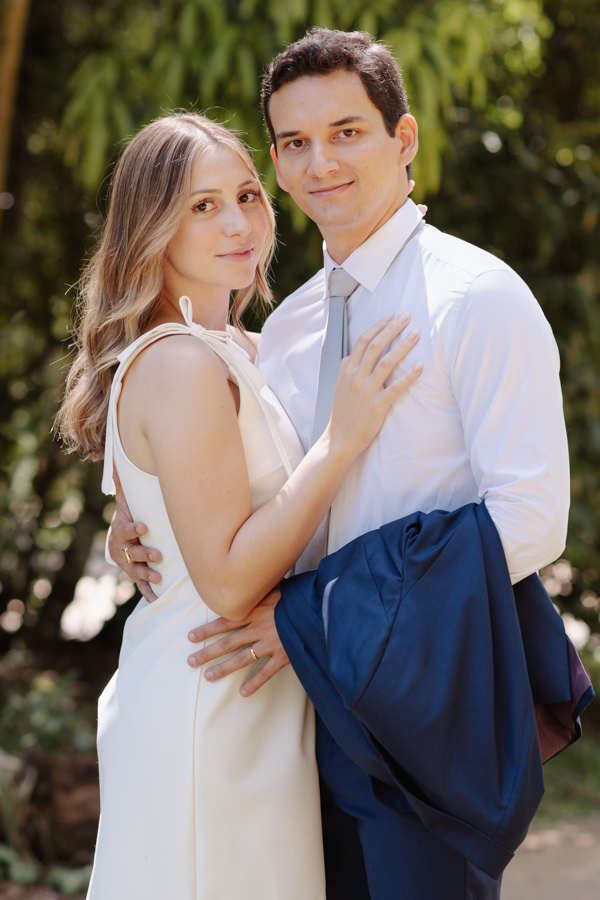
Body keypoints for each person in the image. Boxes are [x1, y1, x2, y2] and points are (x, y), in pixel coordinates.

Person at [109, 28, 570, 900]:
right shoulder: (283, 327)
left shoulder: (478, 298)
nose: (320, 161)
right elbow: (253, 484)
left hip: (417, 707)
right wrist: (140, 526)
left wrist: (320, 616)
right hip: (284, 715)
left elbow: (532, 520)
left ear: (404, 140)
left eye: (348, 132)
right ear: (279, 164)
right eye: (293, 143)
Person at [56, 111, 422, 900]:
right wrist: (341, 440)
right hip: (208, 698)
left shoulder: (245, 350)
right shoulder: (180, 363)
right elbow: (225, 583)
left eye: (248, 196)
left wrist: (137, 519)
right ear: (150, 227)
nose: (238, 223)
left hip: (260, 695)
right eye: (201, 205)